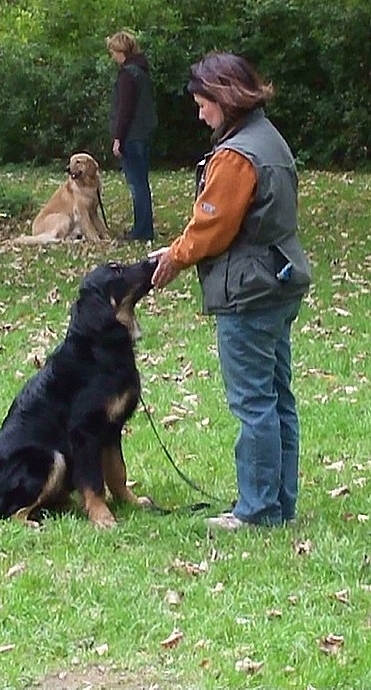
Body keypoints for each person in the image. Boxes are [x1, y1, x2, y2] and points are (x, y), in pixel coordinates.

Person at [151, 52, 311, 530]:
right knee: (278, 398)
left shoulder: (237, 154)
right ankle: (280, 504)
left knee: (253, 402)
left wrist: (175, 257)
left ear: (225, 97)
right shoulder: (269, 138)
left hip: (249, 291)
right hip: (279, 282)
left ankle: (258, 510)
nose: (200, 114)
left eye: (204, 104)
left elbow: (212, 227)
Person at [106, 31, 158, 241]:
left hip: (132, 135)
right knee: (142, 182)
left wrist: (118, 138)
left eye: (113, 51)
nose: (112, 57)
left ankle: (142, 231)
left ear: (121, 51)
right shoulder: (142, 71)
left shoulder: (128, 74)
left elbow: (125, 109)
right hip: (144, 132)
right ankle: (144, 227)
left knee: (136, 184)